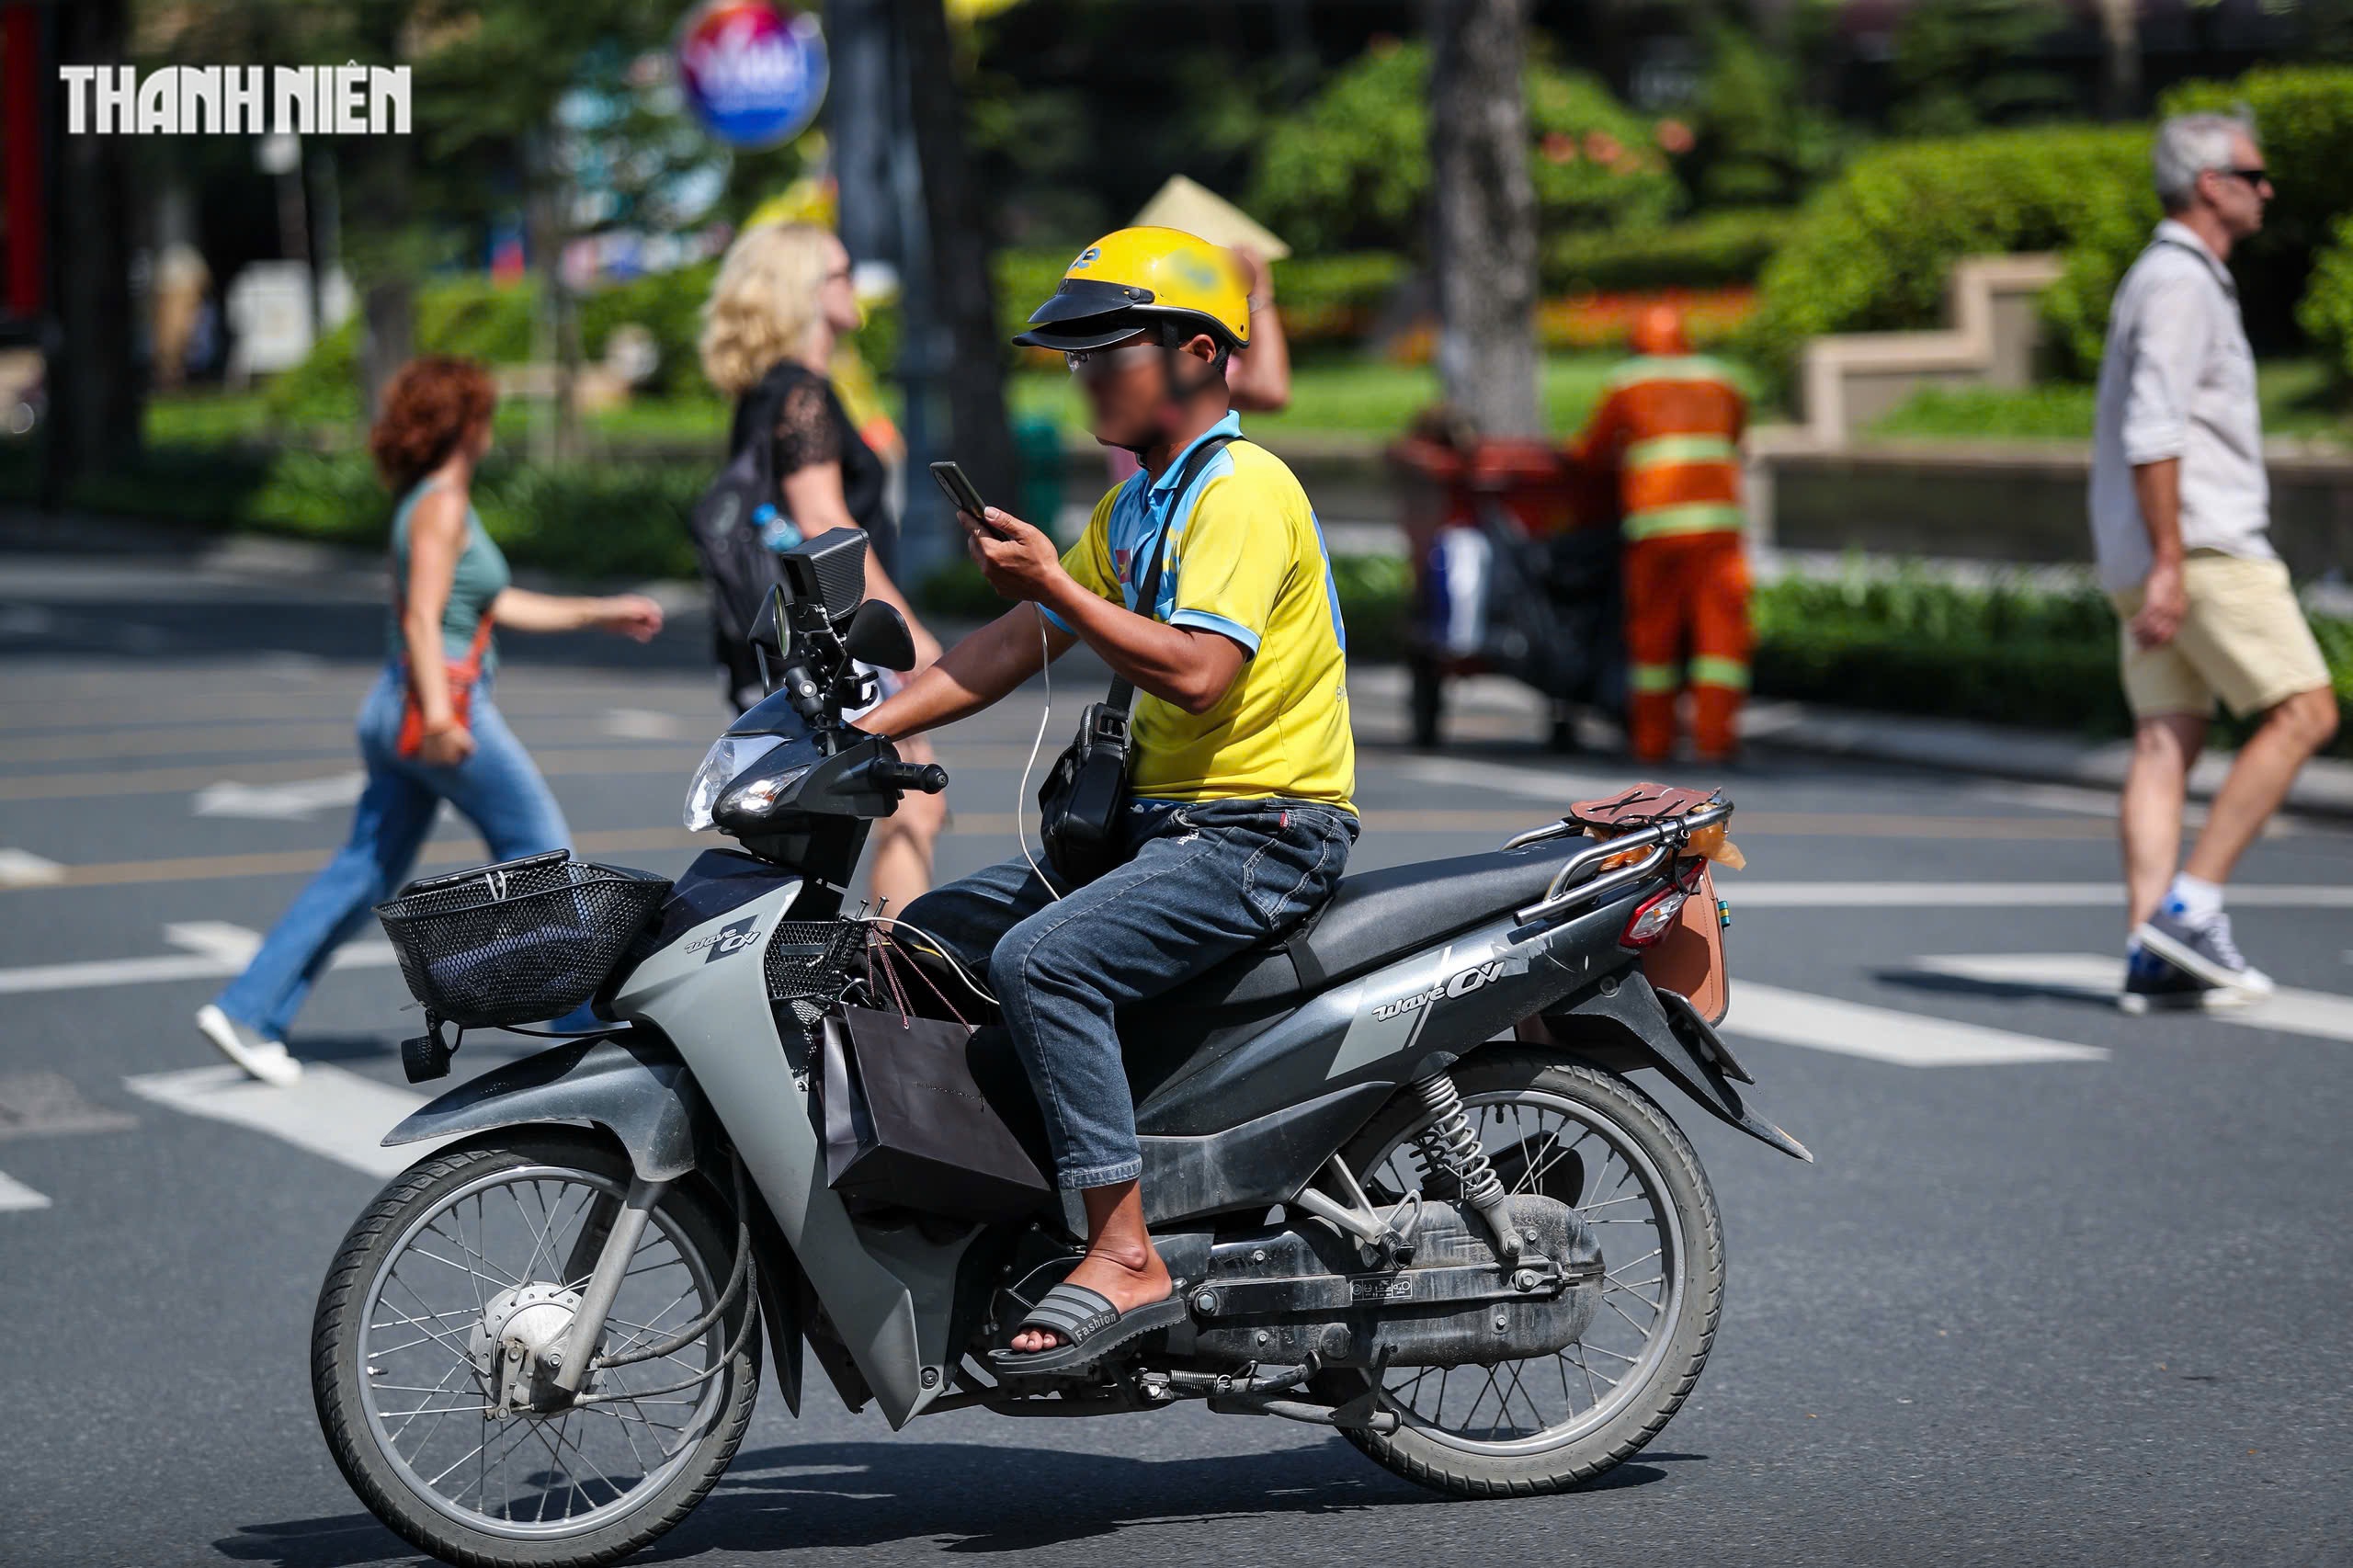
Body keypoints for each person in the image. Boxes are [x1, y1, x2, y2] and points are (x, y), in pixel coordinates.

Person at [858, 227, 1357, 1366]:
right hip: (1160, 826)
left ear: (1194, 352)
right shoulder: (1136, 507)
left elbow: (1194, 668)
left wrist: (1055, 590)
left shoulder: (1239, 489)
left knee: (1046, 958)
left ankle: (1127, 1251)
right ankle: (1031, 1197)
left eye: (1104, 349)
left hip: (1262, 826)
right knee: (926, 935)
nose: (1082, 373)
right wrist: (860, 727)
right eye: (1071, 354)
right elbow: (1008, 642)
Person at [195, 357, 663, 1085]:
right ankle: (576, 1017)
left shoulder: (429, 501)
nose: (491, 427)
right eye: (484, 415)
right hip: (438, 705)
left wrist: (600, 613)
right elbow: (420, 615)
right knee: (542, 851)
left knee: (363, 872)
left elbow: (491, 606)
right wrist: (444, 718)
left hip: (395, 704)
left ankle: (248, 1009)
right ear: (467, 424)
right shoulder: (444, 504)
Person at [2091, 112, 2338, 1011]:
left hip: (2150, 548)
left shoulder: (2160, 278)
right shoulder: (2179, 282)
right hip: (2198, 545)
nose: (2266, 187)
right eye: (2253, 173)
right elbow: (2153, 427)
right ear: (2209, 183)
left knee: (2166, 737)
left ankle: (2148, 951)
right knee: (2305, 709)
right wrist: (2170, 559)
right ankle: (2188, 911)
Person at [699, 221, 948, 913]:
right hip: (840, 644)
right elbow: (823, 527)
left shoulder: (766, 391)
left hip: (787, 640)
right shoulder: (803, 393)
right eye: (839, 273)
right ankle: (893, 980)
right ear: (802, 293)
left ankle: (868, 971)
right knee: (906, 806)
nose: (853, 285)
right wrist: (907, 632)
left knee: (864, 814)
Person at [1572, 304, 1751, 766]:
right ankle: (1716, 741)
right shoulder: (1722, 379)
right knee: (1721, 642)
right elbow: (1734, 436)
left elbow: (1592, 453)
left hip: (1655, 533)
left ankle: (1653, 742)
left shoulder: (1629, 382)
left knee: (1654, 639)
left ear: (1639, 341)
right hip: (1717, 530)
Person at [1101, 243, 1290, 485]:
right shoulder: (1167, 351)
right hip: (1157, 505)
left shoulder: (1168, 351)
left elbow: (1267, 390)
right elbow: (1269, 389)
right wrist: (1256, 294)